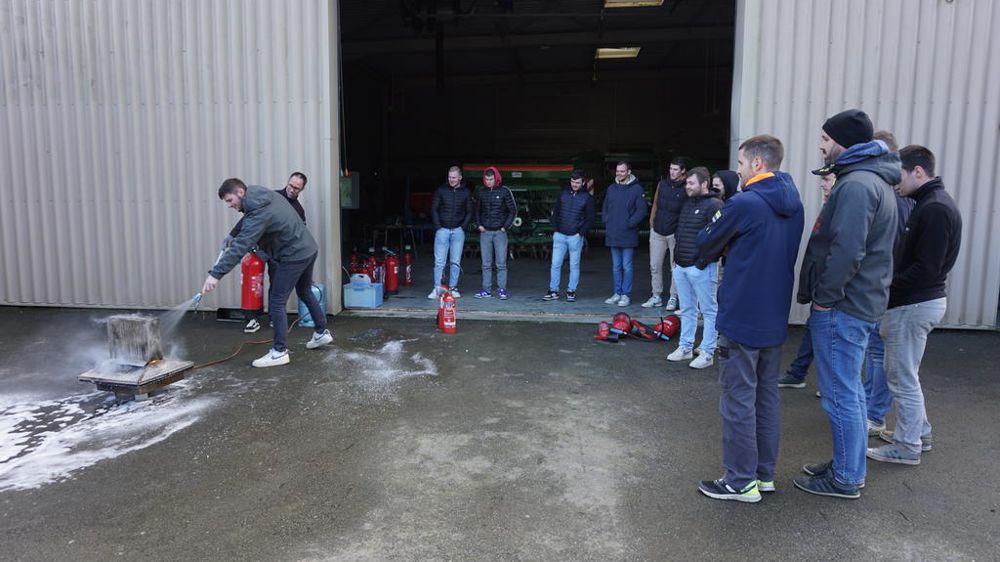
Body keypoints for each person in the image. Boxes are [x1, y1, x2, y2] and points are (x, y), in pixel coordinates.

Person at [794, 109, 899, 500]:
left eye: (825, 138)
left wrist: (825, 300)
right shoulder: (870, 179)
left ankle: (846, 478)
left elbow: (847, 251)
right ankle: (847, 466)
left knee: (840, 395)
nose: (821, 145)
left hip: (843, 307)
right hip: (857, 304)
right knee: (850, 392)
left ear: (843, 141)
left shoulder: (857, 184)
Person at [695, 135, 804, 502]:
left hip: (742, 315)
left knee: (738, 399)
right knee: (766, 397)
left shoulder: (744, 203)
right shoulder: (794, 204)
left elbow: (704, 242)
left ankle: (740, 480)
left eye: (740, 164)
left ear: (757, 164)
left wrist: (726, 241)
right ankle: (762, 474)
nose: (737, 171)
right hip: (774, 316)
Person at [867, 145, 962, 466]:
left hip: (914, 305)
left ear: (917, 172)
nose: (895, 183)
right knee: (906, 374)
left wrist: (887, 285)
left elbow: (927, 268)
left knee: (901, 377)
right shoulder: (931, 203)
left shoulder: (934, 208)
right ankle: (919, 433)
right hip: (918, 303)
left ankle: (907, 446)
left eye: (899, 175)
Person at [202, 178, 332, 368]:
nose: (229, 205)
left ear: (240, 192)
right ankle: (321, 333)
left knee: (277, 301)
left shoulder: (258, 212)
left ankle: (279, 352)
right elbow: (248, 222)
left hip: (294, 255)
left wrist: (215, 274)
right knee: (304, 291)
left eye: (230, 200)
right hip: (308, 248)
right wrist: (234, 234)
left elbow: (242, 245)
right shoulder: (260, 194)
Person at [862, 130, 915, 434]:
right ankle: (872, 408)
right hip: (886, 287)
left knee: (880, 354)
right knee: (877, 353)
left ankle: (874, 413)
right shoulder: (900, 197)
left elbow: (889, 247)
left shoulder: (892, 197)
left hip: (884, 288)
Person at [225, 172, 309, 333]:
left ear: (302, 189)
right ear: (287, 182)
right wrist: (233, 234)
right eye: (290, 185)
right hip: (261, 247)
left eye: (296, 188)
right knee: (252, 280)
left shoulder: (299, 210)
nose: (292, 189)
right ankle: (251, 319)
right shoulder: (272, 197)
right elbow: (249, 217)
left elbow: (299, 234)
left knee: (277, 284)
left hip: (279, 252)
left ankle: (274, 317)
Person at [778, 168, 836, 389]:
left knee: (829, 336)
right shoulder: (829, 206)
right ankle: (798, 373)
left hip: (830, 289)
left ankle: (829, 385)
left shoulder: (843, 208)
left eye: (826, 179)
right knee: (814, 329)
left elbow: (843, 253)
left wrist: (828, 290)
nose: (822, 184)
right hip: (821, 286)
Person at [666, 167, 724, 370]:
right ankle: (685, 347)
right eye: (687, 183)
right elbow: (681, 232)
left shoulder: (715, 205)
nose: (687, 187)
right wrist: (676, 258)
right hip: (681, 266)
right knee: (688, 309)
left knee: (709, 310)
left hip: (701, 268)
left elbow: (719, 238)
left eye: (691, 183)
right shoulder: (688, 202)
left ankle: (707, 353)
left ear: (704, 184)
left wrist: (702, 262)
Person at [643, 157, 689, 310]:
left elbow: (687, 210)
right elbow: (655, 203)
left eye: (675, 169)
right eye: (671, 169)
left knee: (674, 268)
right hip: (657, 231)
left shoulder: (687, 187)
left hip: (675, 233)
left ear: (683, 171)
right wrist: (652, 222)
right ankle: (656, 295)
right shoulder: (662, 184)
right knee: (654, 265)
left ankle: (673, 297)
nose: (672, 172)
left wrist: (681, 231)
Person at [543, 171, 596, 302]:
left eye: (577, 182)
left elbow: (590, 219)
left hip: (575, 237)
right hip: (560, 235)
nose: (574, 184)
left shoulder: (587, 198)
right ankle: (553, 291)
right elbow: (555, 212)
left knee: (574, 265)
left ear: (583, 182)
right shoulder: (563, 193)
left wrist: (580, 233)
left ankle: (571, 291)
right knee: (555, 264)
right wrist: (556, 229)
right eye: (573, 182)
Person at [602, 161, 647, 307]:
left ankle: (626, 295)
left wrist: (629, 223)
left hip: (628, 234)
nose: (619, 174)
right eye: (617, 171)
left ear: (629, 172)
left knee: (627, 266)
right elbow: (605, 207)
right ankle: (617, 293)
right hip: (613, 233)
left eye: (622, 171)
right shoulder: (611, 188)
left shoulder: (637, 189)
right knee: (616, 266)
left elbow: (642, 210)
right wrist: (606, 220)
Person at [428, 166, 473, 299]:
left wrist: (463, 227)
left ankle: (453, 288)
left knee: (455, 262)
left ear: (460, 177)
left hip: (458, 230)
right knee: (439, 262)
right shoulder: (441, 190)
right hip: (442, 230)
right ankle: (437, 288)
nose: (451, 180)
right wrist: (438, 227)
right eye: (449, 177)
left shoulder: (466, 192)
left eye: (454, 177)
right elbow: (434, 209)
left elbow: (470, 211)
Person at [473, 167, 517, 300]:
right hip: (485, 232)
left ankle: (502, 289)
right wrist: (479, 225)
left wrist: (505, 226)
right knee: (486, 264)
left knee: (501, 263)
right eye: (486, 179)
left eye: (491, 179)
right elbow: (476, 210)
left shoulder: (505, 191)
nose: (489, 182)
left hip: (499, 232)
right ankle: (486, 290)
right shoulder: (481, 192)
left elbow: (513, 210)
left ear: (496, 178)